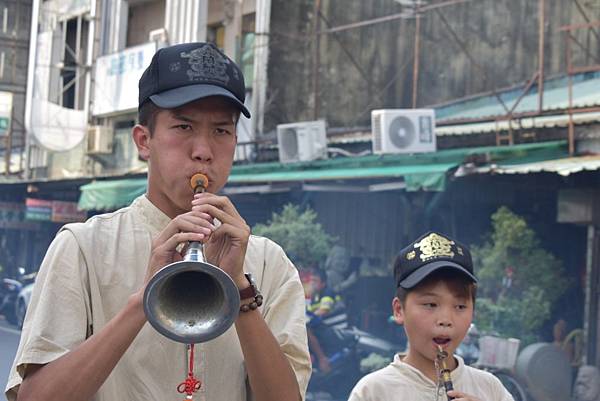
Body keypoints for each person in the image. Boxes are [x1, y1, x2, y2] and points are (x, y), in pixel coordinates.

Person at [6, 42, 310, 401]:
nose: (203, 150)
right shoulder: (84, 247)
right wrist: (142, 302)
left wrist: (241, 293)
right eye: (184, 126)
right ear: (144, 141)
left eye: (221, 131)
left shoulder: (269, 263)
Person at [349, 231, 514, 401]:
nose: (445, 320)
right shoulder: (373, 391)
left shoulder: (491, 389)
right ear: (399, 310)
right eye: (430, 305)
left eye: (460, 306)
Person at [304, 267, 345, 374]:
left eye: (315, 281)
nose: (312, 284)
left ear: (323, 283)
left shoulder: (328, 292)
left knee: (307, 330)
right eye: (311, 281)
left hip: (337, 329)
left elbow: (323, 311)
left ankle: (322, 360)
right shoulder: (315, 296)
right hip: (325, 327)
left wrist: (308, 317)